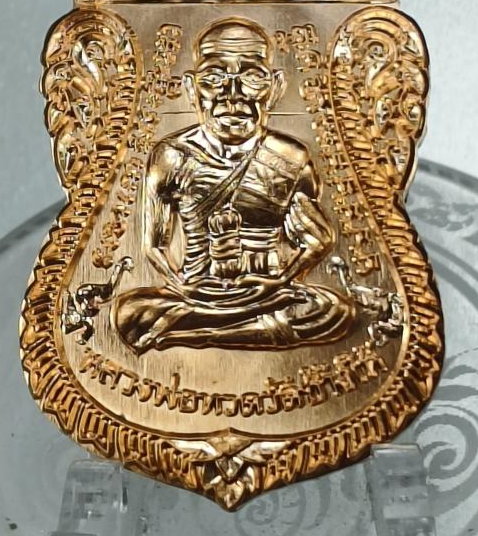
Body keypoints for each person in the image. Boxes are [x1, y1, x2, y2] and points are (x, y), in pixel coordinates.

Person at [114, 18, 355, 352]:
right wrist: (184, 285)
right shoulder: (171, 156)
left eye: (252, 77)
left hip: (266, 290)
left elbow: (313, 240)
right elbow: (154, 245)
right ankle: (232, 329)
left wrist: (279, 279)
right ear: (191, 88)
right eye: (214, 78)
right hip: (197, 291)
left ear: (275, 87)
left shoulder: (290, 157)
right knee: (129, 313)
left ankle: (197, 335)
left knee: (334, 310)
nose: (232, 95)